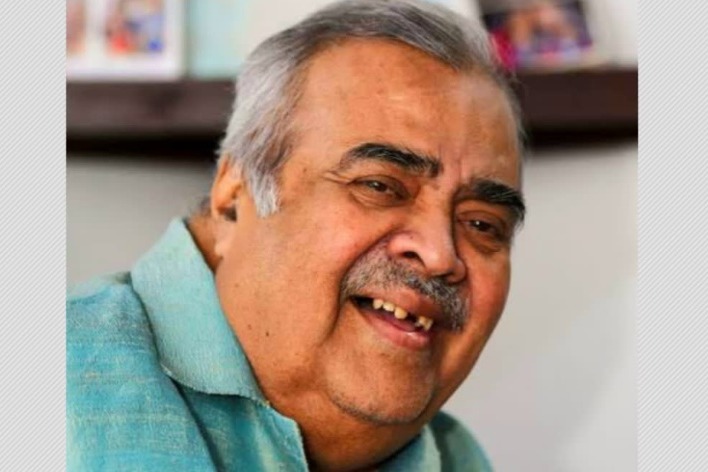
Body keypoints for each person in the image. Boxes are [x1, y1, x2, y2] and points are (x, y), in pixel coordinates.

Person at [67, 0, 526, 470]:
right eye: (379, 186)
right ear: (233, 197)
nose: (439, 254)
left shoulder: (459, 458)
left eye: (481, 224)